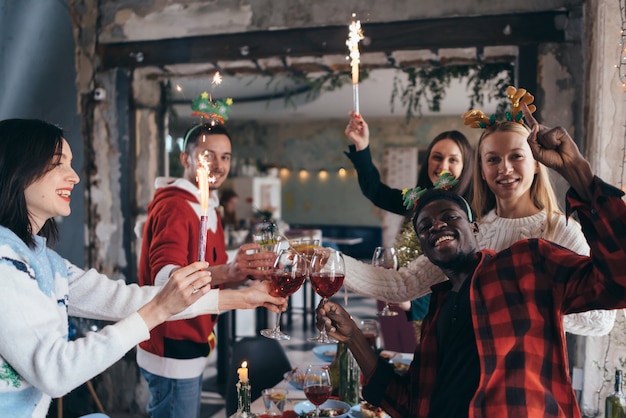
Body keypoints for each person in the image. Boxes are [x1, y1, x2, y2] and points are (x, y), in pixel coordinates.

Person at [317, 104, 626, 417]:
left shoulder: (535, 259)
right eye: (493, 159)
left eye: (516, 155)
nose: (438, 227)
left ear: (469, 226)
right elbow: (410, 402)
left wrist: (578, 172)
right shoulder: (440, 310)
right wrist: (353, 332)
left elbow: (616, 287)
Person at [0, 118, 286, 418]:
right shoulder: (7, 262)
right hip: (172, 350)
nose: (74, 177)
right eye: (59, 163)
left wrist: (244, 297)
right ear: (19, 169)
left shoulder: (45, 260)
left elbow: (123, 298)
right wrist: (161, 309)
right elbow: (56, 373)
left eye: (71, 164)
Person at [339, 90, 615, 338]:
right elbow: (405, 284)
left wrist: (522, 307)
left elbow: (601, 320)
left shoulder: (561, 231)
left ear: (536, 164)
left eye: (516, 156)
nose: (504, 168)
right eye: (493, 159)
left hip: (527, 383)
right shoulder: (475, 231)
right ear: (482, 170)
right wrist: (328, 261)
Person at [136, 122, 277, 417]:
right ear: (186, 159)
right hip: (171, 347)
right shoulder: (176, 206)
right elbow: (167, 280)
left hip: (193, 341)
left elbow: (210, 268)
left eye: (225, 156)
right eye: (208, 155)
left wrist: (240, 270)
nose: (219, 164)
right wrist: (229, 272)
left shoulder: (207, 205)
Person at [344, 111, 474, 341]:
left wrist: (412, 302)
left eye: (453, 159)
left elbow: (452, 272)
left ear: (465, 167)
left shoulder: (470, 212)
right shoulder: (418, 201)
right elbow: (375, 190)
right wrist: (362, 146)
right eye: (437, 157)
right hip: (404, 303)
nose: (443, 165)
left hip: (444, 314)